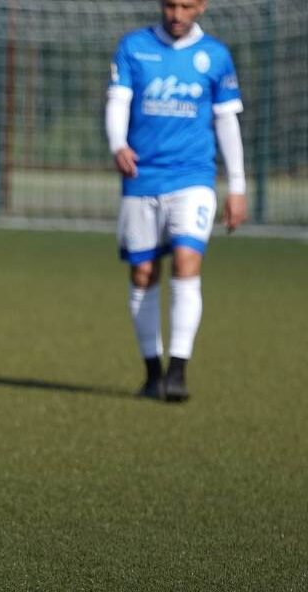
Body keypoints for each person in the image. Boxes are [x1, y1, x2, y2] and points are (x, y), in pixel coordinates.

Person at [105, 0, 247, 401]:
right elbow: (118, 100)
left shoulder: (215, 56)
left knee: (187, 261)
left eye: (187, 6)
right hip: (141, 177)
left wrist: (237, 186)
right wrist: (118, 144)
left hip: (193, 177)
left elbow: (226, 120)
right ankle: (152, 372)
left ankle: (178, 372)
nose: (177, 14)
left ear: (201, 7)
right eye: (170, 5)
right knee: (144, 274)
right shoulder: (133, 47)